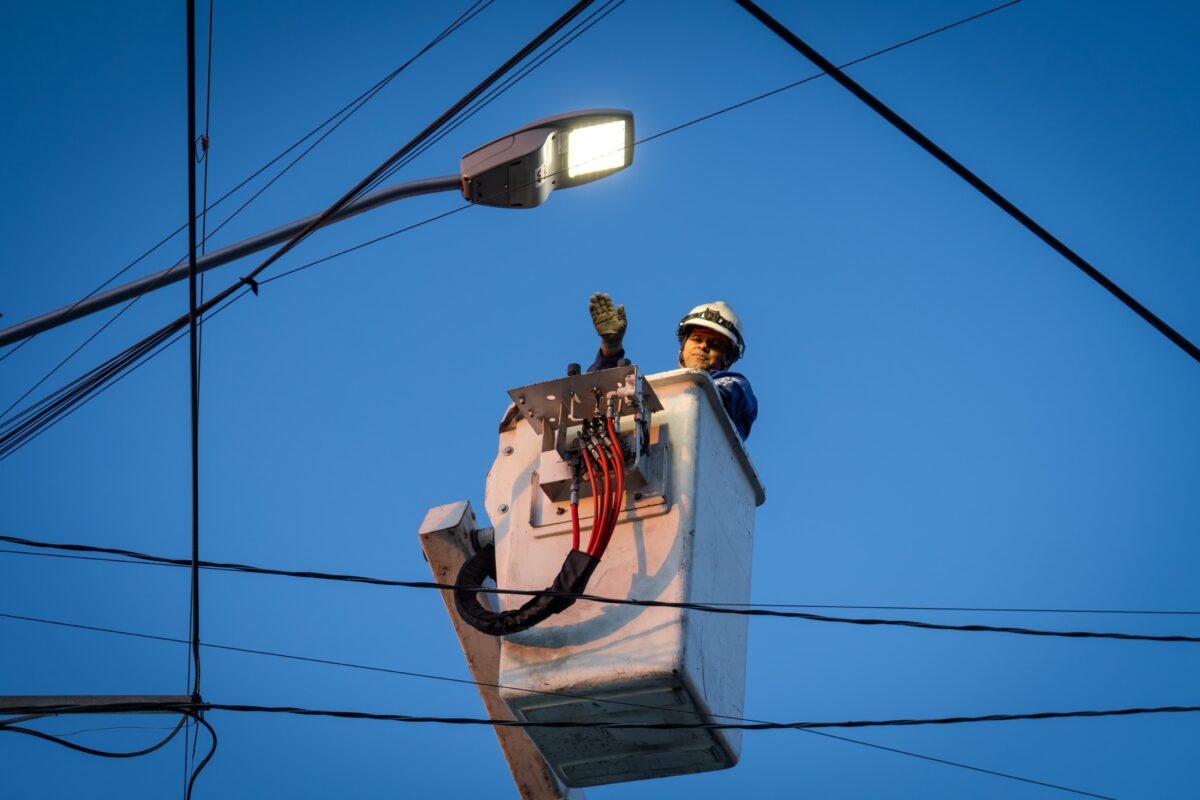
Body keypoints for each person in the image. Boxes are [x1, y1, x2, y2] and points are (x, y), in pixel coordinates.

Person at [586, 293, 758, 440]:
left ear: (728, 359)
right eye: (697, 339)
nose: (703, 346)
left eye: (715, 345)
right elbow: (597, 401)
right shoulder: (661, 389)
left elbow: (713, 396)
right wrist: (610, 349)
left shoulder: (735, 385)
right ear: (682, 347)